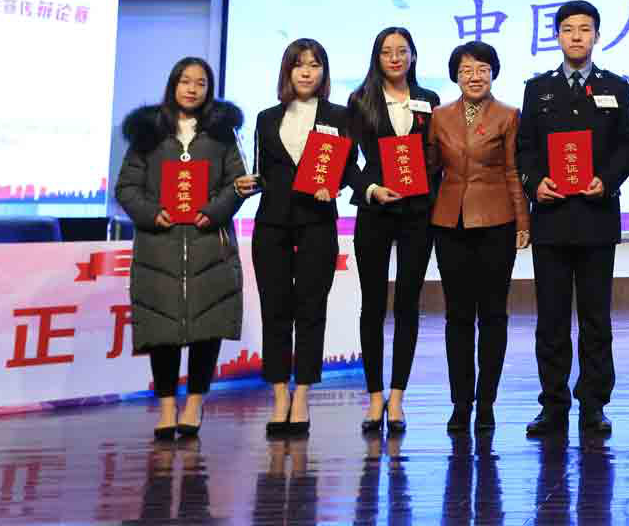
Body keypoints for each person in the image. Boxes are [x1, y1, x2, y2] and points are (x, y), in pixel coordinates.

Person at [516, 0, 629, 436]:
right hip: (551, 219)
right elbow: (525, 147)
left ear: (597, 36)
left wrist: (607, 180)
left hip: (596, 217)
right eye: (568, 29)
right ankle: (553, 405)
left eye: (585, 29)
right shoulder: (538, 89)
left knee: (595, 319)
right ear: (557, 36)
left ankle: (594, 404)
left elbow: (628, 147)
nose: (576, 36)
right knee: (550, 320)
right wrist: (534, 183)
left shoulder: (615, 87)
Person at [116, 57, 252, 440]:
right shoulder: (149, 133)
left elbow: (237, 184)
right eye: (185, 81)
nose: (192, 89)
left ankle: (194, 403)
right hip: (159, 247)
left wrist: (214, 211)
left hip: (210, 244)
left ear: (209, 90)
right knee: (161, 328)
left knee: (208, 326)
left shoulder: (222, 135)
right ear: (173, 85)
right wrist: (151, 213)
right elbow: (127, 188)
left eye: (201, 83)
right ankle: (166, 408)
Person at [248, 38, 357, 437]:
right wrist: (246, 183)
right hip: (272, 223)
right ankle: (279, 393)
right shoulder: (266, 117)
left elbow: (348, 166)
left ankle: (303, 395)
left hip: (317, 222)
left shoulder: (340, 115)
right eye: (299, 64)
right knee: (275, 309)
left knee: (311, 310)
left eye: (314, 64)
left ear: (324, 72)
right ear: (288, 71)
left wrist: (337, 186)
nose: (307, 72)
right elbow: (262, 171)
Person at [426, 40, 531, 434]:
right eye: (467, 70)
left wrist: (523, 222)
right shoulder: (439, 116)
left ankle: (486, 403)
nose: (475, 77)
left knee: (493, 315)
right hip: (449, 224)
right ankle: (460, 403)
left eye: (482, 69)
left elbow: (513, 171)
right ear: (455, 76)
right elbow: (429, 170)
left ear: (493, 74)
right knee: (457, 316)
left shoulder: (509, 115)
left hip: (496, 222)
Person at [346, 27, 441, 434]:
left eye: (403, 51)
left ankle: (398, 397)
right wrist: (370, 188)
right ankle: (373, 397)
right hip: (375, 209)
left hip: (418, 212)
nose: (396, 58)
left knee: (407, 303)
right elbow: (346, 161)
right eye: (387, 52)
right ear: (377, 58)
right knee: (372, 304)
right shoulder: (360, 101)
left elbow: (437, 155)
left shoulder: (430, 100)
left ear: (413, 56)